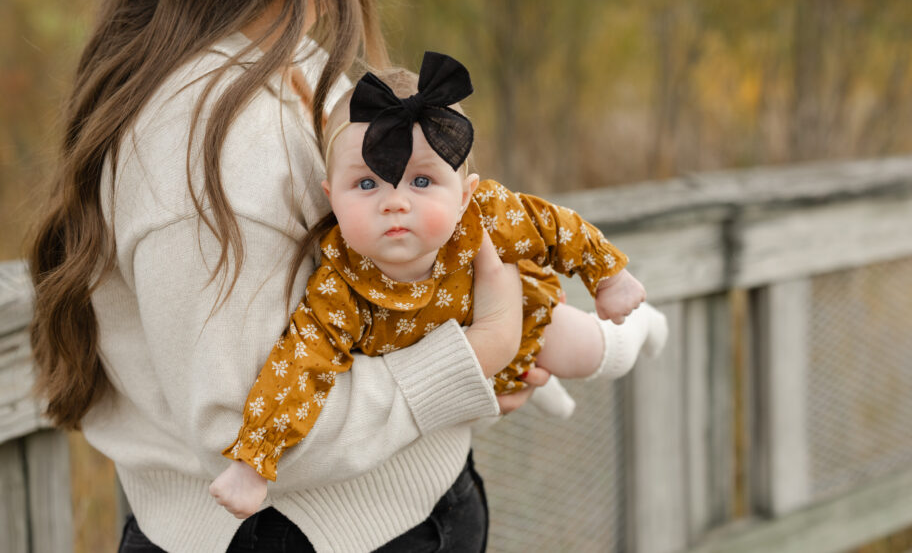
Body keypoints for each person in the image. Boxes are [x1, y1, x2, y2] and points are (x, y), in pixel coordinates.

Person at [28, 0, 542, 551]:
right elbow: (241, 431)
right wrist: (474, 354)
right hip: (299, 534)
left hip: (375, 514)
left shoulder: (284, 62)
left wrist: (488, 352)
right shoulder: (206, 145)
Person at [208, 54, 668, 518]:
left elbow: (553, 227)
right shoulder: (339, 289)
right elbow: (298, 367)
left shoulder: (483, 215)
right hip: (464, 377)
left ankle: (643, 327)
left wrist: (608, 276)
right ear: (332, 198)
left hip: (525, 322)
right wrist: (254, 463)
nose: (394, 202)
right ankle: (536, 383)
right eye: (366, 184)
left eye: (422, 180)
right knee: (517, 377)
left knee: (585, 351)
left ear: (464, 194)